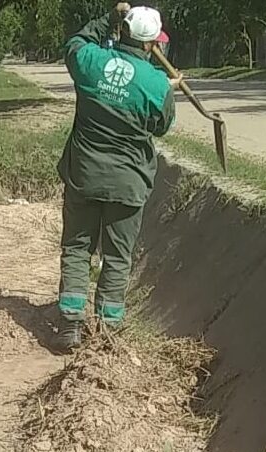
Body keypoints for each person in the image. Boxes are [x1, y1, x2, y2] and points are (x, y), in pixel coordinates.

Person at [56, 3, 182, 351]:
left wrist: (108, 17)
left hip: (84, 175)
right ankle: (108, 331)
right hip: (128, 184)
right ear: (152, 44)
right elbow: (161, 127)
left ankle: (70, 324)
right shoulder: (157, 84)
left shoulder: (91, 62)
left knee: (77, 247)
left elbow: (76, 43)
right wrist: (166, 87)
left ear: (123, 31)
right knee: (117, 256)